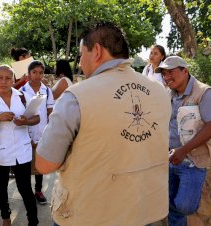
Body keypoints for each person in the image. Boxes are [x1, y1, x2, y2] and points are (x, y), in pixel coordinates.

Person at [35, 22, 171, 226]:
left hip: (88, 215)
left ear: (96, 50)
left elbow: (45, 164)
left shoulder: (76, 96)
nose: (80, 63)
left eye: (81, 54)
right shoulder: (160, 92)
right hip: (145, 211)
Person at [0, 65, 40, 226]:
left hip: (22, 149)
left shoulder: (24, 97)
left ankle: (33, 221)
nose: (4, 82)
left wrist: (25, 121)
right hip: (1, 152)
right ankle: (6, 217)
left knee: (25, 188)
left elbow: (37, 118)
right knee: (1, 187)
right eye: (0, 78)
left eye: (8, 78)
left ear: (14, 80)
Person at [155, 56, 211, 226]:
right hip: (171, 159)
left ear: (185, 71)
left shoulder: (203, 92)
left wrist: (183, 150)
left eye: (170, 72)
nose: (166, 77)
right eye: (164, 74)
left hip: (193, 161)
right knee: (170, 203)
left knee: (184, 206)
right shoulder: (168, 94)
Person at [20, 60, 54, 205]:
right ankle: (27, 193)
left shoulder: (46, 90)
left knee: (39, 164)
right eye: (34, 72)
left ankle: (38, 191)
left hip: (42, 131)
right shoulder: (21, 91)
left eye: (41, 72)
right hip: (25, 131)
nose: (37, 75)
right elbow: (20, 112)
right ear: (28, 74)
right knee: (26, 164)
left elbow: (50, 111)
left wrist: (50, 131)